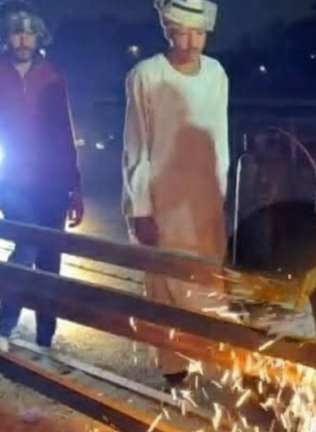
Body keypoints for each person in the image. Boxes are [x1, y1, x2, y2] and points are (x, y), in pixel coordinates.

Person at [0, 0, 84, 354]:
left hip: (52, 182)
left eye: (30, 32)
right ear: (4, 35)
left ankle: (45, 338)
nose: (23, 39)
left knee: (50, 260)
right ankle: (3, 327)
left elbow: (64, 132)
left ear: (39, 35)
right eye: (16, 32)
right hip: (10, 180)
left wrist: (75, 188)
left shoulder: (52, 75)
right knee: (27, 245)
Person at [122, 0, 229, 385]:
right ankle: (173, 368)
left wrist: (223, 190)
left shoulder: (216, 73)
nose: (192, 41)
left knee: (208, 282)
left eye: (199, 33)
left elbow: (220, 136)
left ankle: (214, 363)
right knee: (165, 283)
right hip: (162, 198)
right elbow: (136, 146)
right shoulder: (146, 75)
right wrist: (140, 208)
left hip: (205, 199)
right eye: (183, 32)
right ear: (168, 30)